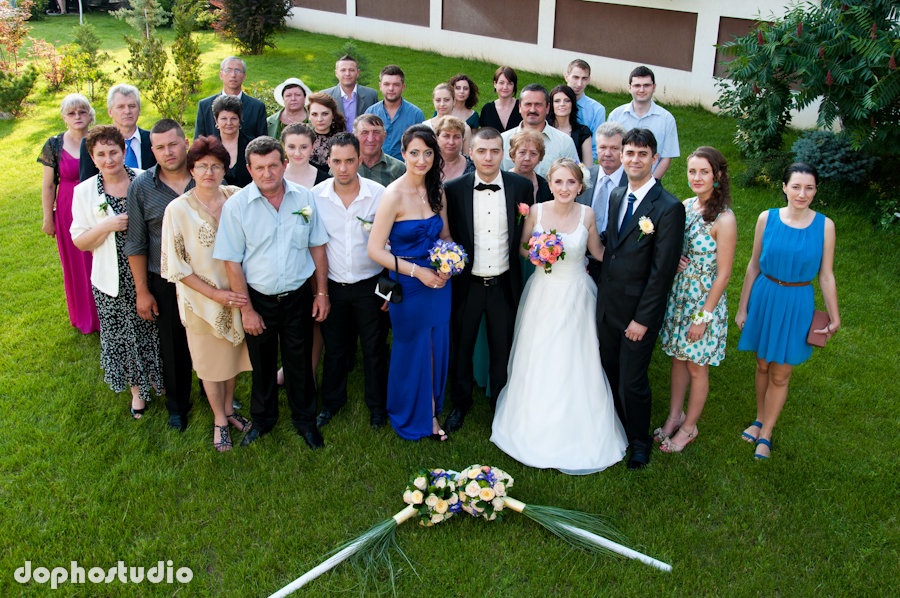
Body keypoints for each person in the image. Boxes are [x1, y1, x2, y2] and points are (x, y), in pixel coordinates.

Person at [491, 158, 626, 473]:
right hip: (544, 293)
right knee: (540, 354)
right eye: (559, 182)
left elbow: (598, 252)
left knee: (577, 355)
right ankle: (532, 422)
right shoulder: (536, 212)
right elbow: (522, 246)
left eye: (571, 182)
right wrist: (538, 254)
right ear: (549, 184)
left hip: (577, 294)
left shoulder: (587, 214)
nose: (565, 188)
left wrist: (633, 255)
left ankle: (580, 425)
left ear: (580, 186)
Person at [214, 136, 331, 449]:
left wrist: (321, 293)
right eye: (259, 167)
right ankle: (263, 420)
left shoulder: (304, 198)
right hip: (259, 299)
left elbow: (317, 246)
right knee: (262, 364)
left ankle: (305, 421)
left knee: (299, 362)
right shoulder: (237, 207)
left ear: (284, 165)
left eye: (273, 166)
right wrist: (247, 310)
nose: (267, 173)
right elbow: (231, 261)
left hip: (298, 296)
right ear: (249, 169)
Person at [735, 163, 840, 460]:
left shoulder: (825, 226)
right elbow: (753, 265)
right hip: (765, 297)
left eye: (809, 188)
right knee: (762, 365)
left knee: (781, 373)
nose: (802, 194)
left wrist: (834, 315)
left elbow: (826, 276)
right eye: (796, 187)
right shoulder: (766, 218)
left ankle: (766, 432)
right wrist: (743, 308)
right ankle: (759, 418)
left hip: (797, 302)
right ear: (784, 187)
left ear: (816, 190)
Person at [596, 128, 685, 470]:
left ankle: (639, 442)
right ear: (621, 156)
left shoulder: (668, 207)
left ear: (654, 158)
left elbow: (662, 273)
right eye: (629, 153)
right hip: (608, 305)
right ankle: (617, 429)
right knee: (610, 371)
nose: (634, 160)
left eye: (642, 154)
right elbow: (612, 242)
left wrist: (642, 320)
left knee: (632, 382)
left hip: (638, 313)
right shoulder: (618, 194)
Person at [160, 136, 253, 451]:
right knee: (210, 363)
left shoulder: (237, 197)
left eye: (216, 166)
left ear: (225, 169)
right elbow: (176, 267)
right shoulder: (177, 210)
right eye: (202, 166)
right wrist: (215, 296)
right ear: (192, 170)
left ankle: (229, 408)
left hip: (237, 297)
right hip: (201, 302)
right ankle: (219, 420)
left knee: (231, 358)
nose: (209, 172)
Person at [443, 128, 534, 433]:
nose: (488, 157)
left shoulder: (521, 187)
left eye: (495, 151)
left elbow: (525, 232)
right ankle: (460, 403)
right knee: (462, 347)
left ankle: (500, 403)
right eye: (481, 151)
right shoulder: (453, 189)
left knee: (502, 348)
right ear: (470, 153)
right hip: (467, 284)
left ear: (503, 153)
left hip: (503, 284)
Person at [366, 125, 452, 441]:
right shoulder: (392, 195)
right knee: (413, 346)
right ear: (403, 154)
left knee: (436, 344)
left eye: (428, 153)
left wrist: (448, 264)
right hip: (408, 283)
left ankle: (430, 407)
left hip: (439, 283)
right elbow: (375, 250)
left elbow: (445, 235)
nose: (421, 160)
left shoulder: (437, 190)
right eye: (414, 153)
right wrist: (419, 272)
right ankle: (417, 412)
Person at [71, 125, 162, 420]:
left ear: (124, 152)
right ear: (92, 158)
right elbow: (80, 241)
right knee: (123, 335)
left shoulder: (145, 178)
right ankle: (137, 391)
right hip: (112, 277)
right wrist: (106, 226)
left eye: (113, 152)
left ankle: (158, 378)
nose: (108, 159)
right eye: (101, 154)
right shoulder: (84, 192)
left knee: (153, 328)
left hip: (149, 269)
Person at [656, 147, 737, 453]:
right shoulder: (686, 206)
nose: (697, 177)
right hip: (680, 297)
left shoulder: (724, 219)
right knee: (678, 359)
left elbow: (724, 275)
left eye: (705, 171)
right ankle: (674, 416)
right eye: (692, 171)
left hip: (703, 304)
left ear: (718, 175)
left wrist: (702, 318)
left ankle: (690, 427)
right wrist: (675, 257)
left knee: (696, 367)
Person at [312, 133, 389, 431]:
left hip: (371, 284)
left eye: (349, 161)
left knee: (374, 348)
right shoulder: (316, 197)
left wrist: (388, 291)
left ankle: (377, 407)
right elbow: (315, 246)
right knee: (335, 349)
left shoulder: (379, 194)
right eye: (336, 161)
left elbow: (392, 243)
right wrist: (321, 292)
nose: (343, 168)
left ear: (359, 160)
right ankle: (332, 403)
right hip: (333, 285)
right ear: (328, 161)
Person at [126, 119, 197, 431]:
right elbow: (136, 243)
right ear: (152, 150)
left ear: (185, 143)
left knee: (213, 338)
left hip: (207, 277)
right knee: (172, 345)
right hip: (165, 279)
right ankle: (178, 406)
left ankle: (220, 395)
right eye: (160, 147)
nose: (168, 152)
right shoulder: (141, 187)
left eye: (173, 144)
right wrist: (142, 291)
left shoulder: (206, 175)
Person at [38, 93, 100, 334]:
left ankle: (104, 313)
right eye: (72, 113)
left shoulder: (98, 139)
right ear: (64, 117)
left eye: (82, 111)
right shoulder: (54, 145)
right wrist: (48, 218)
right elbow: (48, 186)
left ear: (90, 115)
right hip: (67, 209)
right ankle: (84, 316)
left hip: (95, 206)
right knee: (74, 262)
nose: (77, 116)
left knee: (97, 259)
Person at [608, 66, 680, 180]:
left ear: (654, 87)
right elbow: (610, 151)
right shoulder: (616, 116)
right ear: (629, 88)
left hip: (651, 180)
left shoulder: (667, 119)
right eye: (637, 85)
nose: (642, 90)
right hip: (618, 180)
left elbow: (666, 158)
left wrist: (650, 184)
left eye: (646, 85)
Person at [580, 121, 628, 281]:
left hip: (617, 264)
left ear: (623, 150)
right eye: (602, 147)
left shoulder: (632, 183)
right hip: (581, 261)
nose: (607, 153)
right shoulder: (582, 177)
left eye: (614, 148)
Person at [79, 84, 156, 182]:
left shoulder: (153, 140)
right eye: (120, 107)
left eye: (132, 106)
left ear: (139, 110)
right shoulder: (91, 143)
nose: (127, 111)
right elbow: (87, 183)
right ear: (110, 111)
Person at [500, 84, 579, 177]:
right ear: (520, 107)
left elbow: (575, 178)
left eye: (538, 104)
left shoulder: (565, 142)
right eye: (528, 104)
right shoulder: (503, 140)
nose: (533, 110)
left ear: (547, 108)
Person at [194, 57, 267, 140]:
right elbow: (198, 142)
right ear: (221, 75)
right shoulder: (205, 106)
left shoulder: (257, 107)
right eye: (228, 70)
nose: (233, 75)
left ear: (244, 77)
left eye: (237, 71)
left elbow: (263, 143)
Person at [364, 65, 425, 160]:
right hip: (376, 166)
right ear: (380, 86)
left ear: (403, 87)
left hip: (405, 166)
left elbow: (421, 146)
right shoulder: (370, 113)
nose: (391, 88)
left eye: (396, 84)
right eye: (386, 84)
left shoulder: (416, 114)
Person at [564, 59, 607, 162]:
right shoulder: (553, 103)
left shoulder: (598, 110)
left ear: (589, 80)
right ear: (566, 77)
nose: (579, 84)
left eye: (584, 78)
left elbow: (597, 147)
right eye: (575, 77)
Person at [320, 55, 378, 131]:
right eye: (343, 70)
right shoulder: (325, 96)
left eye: (351, 70)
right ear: (336, 73)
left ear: (358, 73)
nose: (347, 73)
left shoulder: (370, 95)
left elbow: (376, 124)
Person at [211, 95, 253, 188]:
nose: (229, 123)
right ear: (216, 121)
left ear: (240, 119)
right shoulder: (209, 148)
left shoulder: (252, 145)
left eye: (233, 118)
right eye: (224, 118)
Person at [354, 114, 406, 186]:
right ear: (355, 137)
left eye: (376, 132)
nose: (370, 139)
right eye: (364, 133)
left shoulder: (399, 169)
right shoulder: (346, 167)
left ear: (384, 136)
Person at [547, 84, 592, 165]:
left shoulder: (583, 132)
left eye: (567, 100)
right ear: (551, 105)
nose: (562, 104)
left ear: (572, 103)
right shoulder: (545, 129)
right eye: (557, 101)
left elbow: (588, 167)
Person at [282, 123, 332, 190]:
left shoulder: (326, 181)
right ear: (284, 146)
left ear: (313, 147)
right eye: (292, 147)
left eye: (303, 147)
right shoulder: (276, 177)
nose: (297, 153)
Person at [425, 84, 471, 155]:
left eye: (446, 100)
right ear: (433, 101)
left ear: (454, 101)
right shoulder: (425, 127)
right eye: (438, 100)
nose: (442, 104)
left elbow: (467, 157)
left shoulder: (465, 128)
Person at [508, 128, 551, 204]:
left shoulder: (546, 188)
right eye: (522, 152)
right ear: (513, 155)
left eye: (533, 153)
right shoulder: (501, 181)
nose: (527, 158)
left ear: (540, 158)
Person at [307, 92, 347, 172]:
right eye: (314, 114)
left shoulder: (344, 141)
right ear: (309, 116)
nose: (319, 119)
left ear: (333, 115)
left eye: (325, 114)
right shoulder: (303, 140)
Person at [479, 66, 522, 132]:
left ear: (514, 85)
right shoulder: (487, 110)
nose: (505, 87)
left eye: (509, 83)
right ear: (495, 84)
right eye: (501, 83)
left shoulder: (522, 108)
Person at [434, 115, 475, 183]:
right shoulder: (427, 166)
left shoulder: (474, 167)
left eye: (456, 137)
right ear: (437, 138)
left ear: (463, 139)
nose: (451, 142)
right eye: (446, 136)